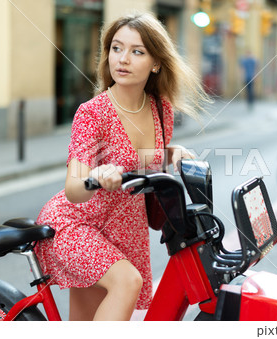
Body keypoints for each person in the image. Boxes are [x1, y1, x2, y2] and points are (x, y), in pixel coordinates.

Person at [34, 12, 211, 321]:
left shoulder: (161, 110)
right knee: (127, 281)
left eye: (136, 51)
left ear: (156, 63)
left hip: (125, 228)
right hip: (79, 224)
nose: (123, 59)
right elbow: (73, 189)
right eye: (116, 48)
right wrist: (96, 177)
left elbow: (140, 160)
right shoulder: (93, 113)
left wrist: (170, 153)